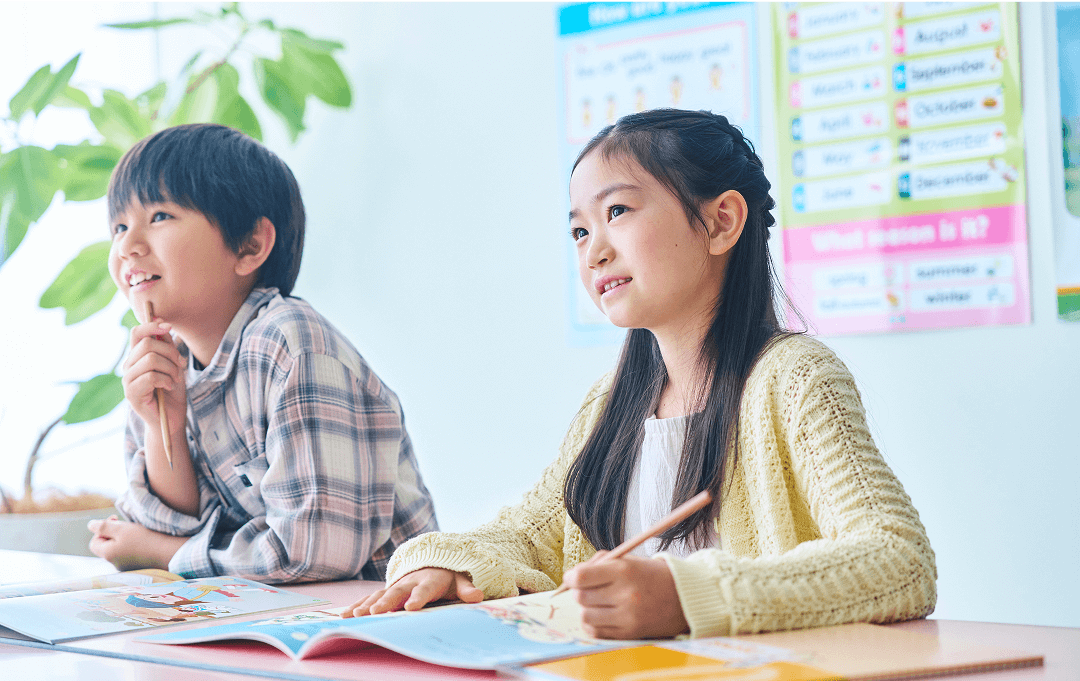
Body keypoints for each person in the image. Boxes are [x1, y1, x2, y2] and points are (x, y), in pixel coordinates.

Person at [345, 109, 937, 638]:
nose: (593, 251)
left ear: (722, 222)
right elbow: (528, 536)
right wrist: (447, 562)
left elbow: (899, 558)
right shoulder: (612, 403)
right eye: (580, 230)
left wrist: (687, 598)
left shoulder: (794, 377)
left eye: (617, 212)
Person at [88, 124, 437, 583]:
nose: (127, 246)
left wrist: (161, 551)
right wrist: (161, 425)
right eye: (119, 226)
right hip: (266, 625)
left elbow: (313, 555)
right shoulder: (161, 358)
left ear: (249, 245)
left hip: (372, 627)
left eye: (159, 217)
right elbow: (169, 527)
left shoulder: (291, 344)